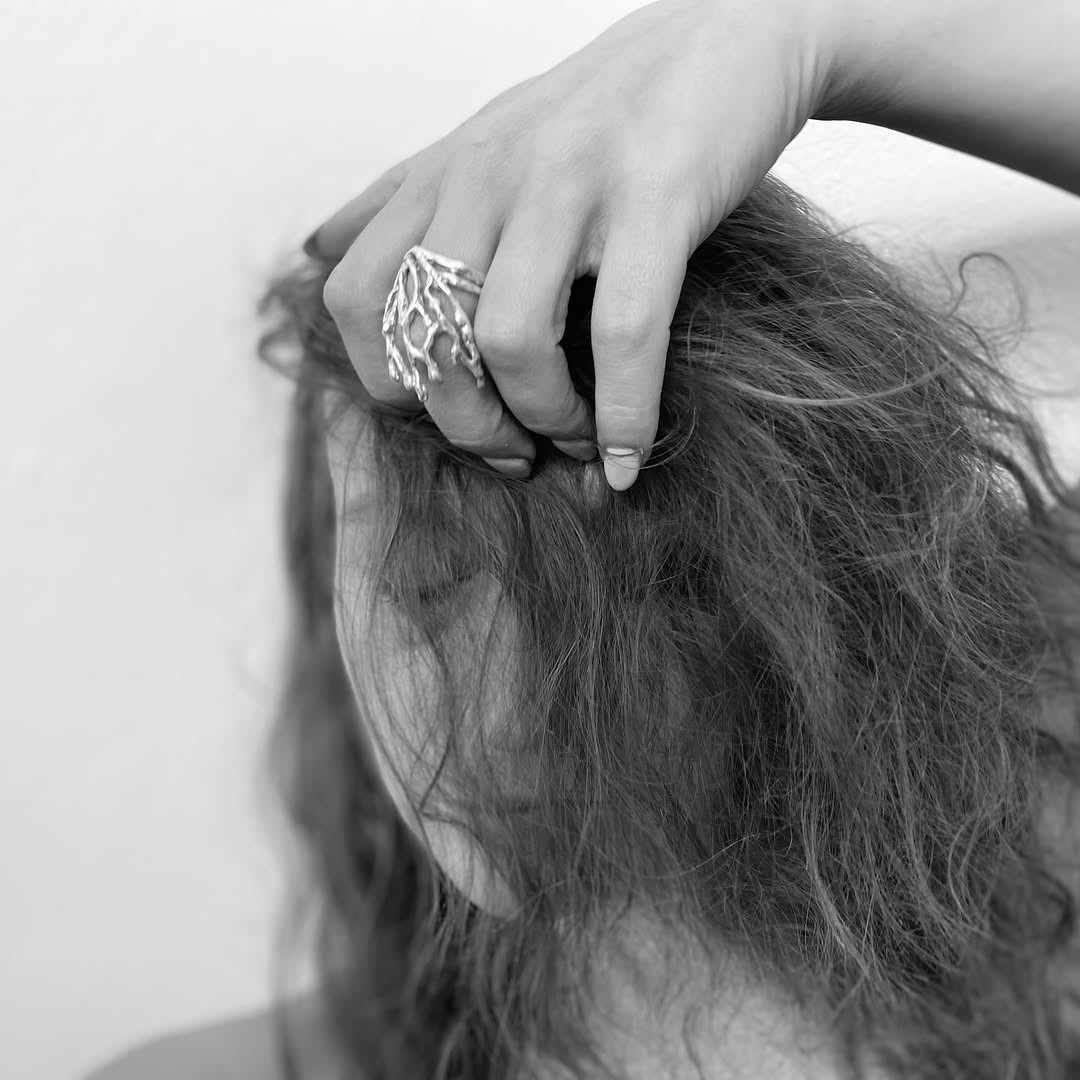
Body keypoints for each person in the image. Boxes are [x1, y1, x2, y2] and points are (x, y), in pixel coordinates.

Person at [87, 0, 1080, 1077]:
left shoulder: (1043, 873)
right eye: (429, 589)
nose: (505, 719)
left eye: (660, 587)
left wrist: (796, 30)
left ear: (825, 606)